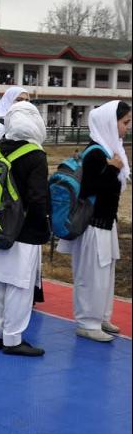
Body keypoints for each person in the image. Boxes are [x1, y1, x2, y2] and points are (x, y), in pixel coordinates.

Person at [59, 101, 131, 342]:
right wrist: (112, 170)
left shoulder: (109, 150)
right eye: (124, 123)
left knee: (105, 274)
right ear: (110, 122)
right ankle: (87, 322)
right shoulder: (97, 153)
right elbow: (90, 188)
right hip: (93, 225)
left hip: (105, 223)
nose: (126, 128)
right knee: (91, 275)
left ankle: (100, 316)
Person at [0, 101, 50, 356]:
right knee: (19, 286)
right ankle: (13, 339)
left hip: (0, 226)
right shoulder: (35, 154)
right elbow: (37, 197)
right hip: (26, 230)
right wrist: (43, 225)